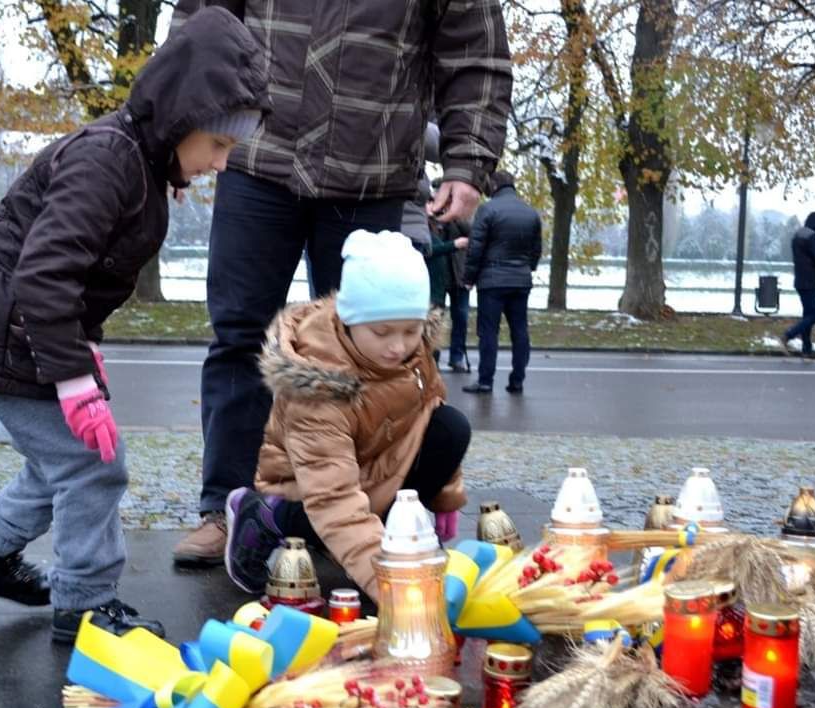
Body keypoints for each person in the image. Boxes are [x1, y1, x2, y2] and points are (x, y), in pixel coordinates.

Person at [0, 8, 268, 642]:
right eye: (217, 144)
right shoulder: (110, 160)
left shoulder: (141, 163)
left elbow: (83, 279)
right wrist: (74, 380)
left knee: (60, 458)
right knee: (94, 463)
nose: (220, 162)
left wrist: (84, 352)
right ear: (183, 117)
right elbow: (47, 275)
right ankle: (85, 604)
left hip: (14, 327)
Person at [168, 0, 511, 568]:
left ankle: (363, 511)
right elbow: (204, 24)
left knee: (374, 353)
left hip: (371, 166)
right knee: (239, 339)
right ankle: (225, 509)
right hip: (257, 155)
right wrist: (178, 130)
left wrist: (466, 162)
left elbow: (474, 54)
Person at [223, 230, 469, 602]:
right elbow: (333, 499)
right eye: (382, 331)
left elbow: (429, 409)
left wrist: (444, 496)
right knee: (324, 515)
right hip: (309, 487)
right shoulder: (319, 383)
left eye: (410, 330)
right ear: (350, 320)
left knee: (450, 427)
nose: (398, 346)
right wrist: (389, 584)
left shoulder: (414, 351)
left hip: (369, 469)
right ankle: (260, 515)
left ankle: (379, 532)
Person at [462, 171, 542, 395]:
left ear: (494, 184)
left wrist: (469, 278)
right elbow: (536, 249)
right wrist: (527, 267)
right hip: (520, 279)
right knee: (520, 330)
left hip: (492, 280)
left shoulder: (487, 210)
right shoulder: (530, 213)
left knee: (488, 332)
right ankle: (517, 380)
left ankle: (485, 380)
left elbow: (475, 247)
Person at [428, 178, 472, 373]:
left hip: (459, 274)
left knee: (460, 317)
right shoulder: (429, 215)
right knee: (435, 318)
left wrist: (454, 214)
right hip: (438, 275)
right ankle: (432, 358)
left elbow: (472, 233)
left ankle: (457, 357)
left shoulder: (460, 214)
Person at [780, 211, 815, 360]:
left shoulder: (798, 235)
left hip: (801, 280)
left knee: (808, 316)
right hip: (812, 281)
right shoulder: (812, 236)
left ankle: (807, 350)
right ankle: (787, 336)